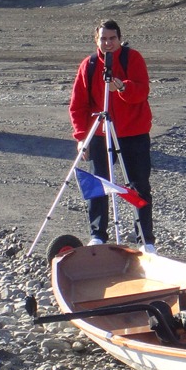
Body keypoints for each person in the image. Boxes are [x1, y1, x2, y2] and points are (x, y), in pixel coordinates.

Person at [69, 19, 156, 253]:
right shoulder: (88, 65)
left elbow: (142, 91)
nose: (108, 43)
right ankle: (97, 235)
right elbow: (77, 105)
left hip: (133, 133)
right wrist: (81, 137)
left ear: (119, 38)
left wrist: (123, 88)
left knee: (139, 187)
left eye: (112, 38)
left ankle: (146, 240)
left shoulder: (132, 58)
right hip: (100, 133)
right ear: (96, 40)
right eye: (103, 39)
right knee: (99, 185)